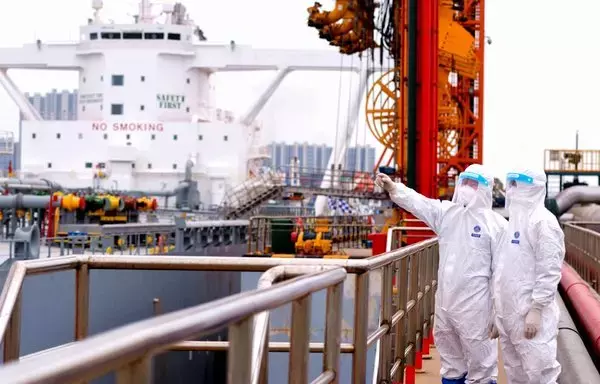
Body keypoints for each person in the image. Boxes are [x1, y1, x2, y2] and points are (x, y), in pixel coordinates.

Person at [376, 164, 506, 384]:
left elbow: (501, 273)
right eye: (464, 182)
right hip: (446, 305)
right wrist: (394, 188)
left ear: (485, 189)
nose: (466, 187)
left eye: (473, 184)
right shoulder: (447, 214)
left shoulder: (496, 226)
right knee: (451, 365)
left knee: (481, 368)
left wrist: (498, 311)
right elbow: (420, 203)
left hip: (477, 309)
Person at [489, 168, 564, 383]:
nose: (511, 190)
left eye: (516, 184)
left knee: (539, 374)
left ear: (533, 187)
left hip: (531, 318)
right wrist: (498, 311)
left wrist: (537, 309)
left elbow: (549, 270)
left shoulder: (543, 222)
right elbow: (503, 270)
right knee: (516, 373)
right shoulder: (514, 222)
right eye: (510, 183)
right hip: (510, 317)